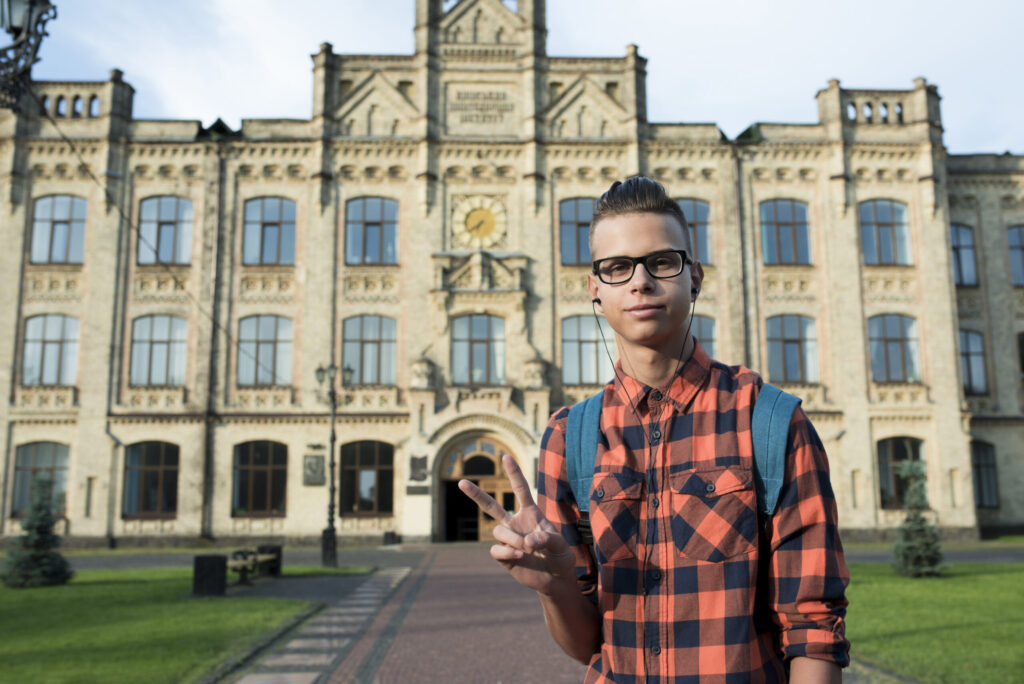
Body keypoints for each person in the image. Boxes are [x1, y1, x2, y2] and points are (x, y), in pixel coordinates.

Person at [459, 176, 849, 683]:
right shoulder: (570, 438)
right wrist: (554, 585)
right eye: (617, 268)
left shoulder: (770, 421)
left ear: (695, 277)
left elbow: (813, 627)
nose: (640, 281)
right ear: (595, 290)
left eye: (662, 262)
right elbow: (586, 645)